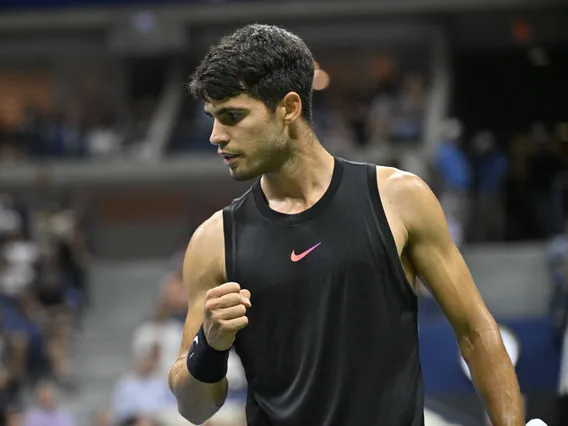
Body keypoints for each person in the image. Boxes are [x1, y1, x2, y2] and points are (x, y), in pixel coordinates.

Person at [168, 24, 524, 426]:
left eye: (232, 116)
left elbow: (476, 333)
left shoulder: (398, 199)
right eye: (213, 118)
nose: (216, 136)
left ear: (289, 108)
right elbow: (194, 409)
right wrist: (209, 346)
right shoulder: (213, 241)